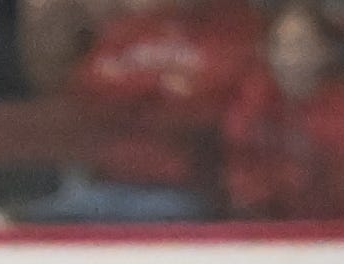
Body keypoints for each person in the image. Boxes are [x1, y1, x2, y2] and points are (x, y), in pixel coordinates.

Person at [47, 0, 263, 218]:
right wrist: (159, 83)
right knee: (41, 222)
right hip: (109, 183)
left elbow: (207, 99)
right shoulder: (135, 25)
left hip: (182, 189)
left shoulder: (235, 26)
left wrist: (132, 92)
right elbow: (89, 84)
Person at [220, 1, 344, 216]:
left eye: (300, 44)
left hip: (332, 230)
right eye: (280, 44)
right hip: (260, 227)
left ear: (325, 50)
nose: (289, 57)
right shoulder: (253, 98)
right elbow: (238, 170)